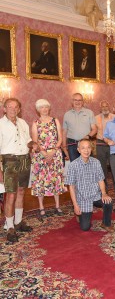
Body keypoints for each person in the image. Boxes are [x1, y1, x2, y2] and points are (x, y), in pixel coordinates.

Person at [0, 98, 38, 243]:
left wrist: (33, 144)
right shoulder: (1, 124)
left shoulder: (23, 123)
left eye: (16, 107)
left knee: (21, 191)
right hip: (9, 161)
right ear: (4, 109)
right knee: (11, 194)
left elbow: (27, 140)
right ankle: (10, 228)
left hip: (24, 159)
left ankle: (18, 222)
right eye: (9, 107)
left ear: (19, 109)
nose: (13, 109)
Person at [65, 139, 113, 232]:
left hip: (96, 195)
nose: (86, 150)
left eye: (88, 148)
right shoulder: (73, 165)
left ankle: (105, 223)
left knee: (108, 202)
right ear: (78, 150)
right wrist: (75, 205)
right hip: (83, 198)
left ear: (91, 149)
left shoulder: (96, 162)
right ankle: (79, 214)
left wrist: (103, 193)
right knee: (85, 227)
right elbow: (71, 187)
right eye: (83, 148)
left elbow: (100, 180)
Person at [30, 99, 65, 219]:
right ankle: (41, 207)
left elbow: (60, 138)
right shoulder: (35, 122)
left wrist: (54, 151)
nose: (44, 109)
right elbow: (35, 141)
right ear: (37, 110)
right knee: (41, 181)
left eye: (46, 107)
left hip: (55, 154)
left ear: (49, 108)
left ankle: (57, 206)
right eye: (41, 107)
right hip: (41, 156)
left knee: (55, 179)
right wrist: (45, 153)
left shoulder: (55, 121)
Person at [62, 93, 97, 161]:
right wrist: (64, 147)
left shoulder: (89, 113)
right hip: (72, 145)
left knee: (88, 166)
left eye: (80, 100)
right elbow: (64, 132)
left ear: (83, 102)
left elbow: (94, 129)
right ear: (72, 101)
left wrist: (88, 136)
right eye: (75, 100)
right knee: (74, 166)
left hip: (86, 144)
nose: (78, 102)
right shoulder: (67, 114)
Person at [95, 100, 114, 190]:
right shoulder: (96, 118)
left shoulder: (114, 117)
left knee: (113, 163)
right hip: (100, 143)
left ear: (109, 107)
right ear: (100, 108)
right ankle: (104, 183)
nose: (105, 108)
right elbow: (93, 130)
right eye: (103, 106)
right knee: (102, 165)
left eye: (106, 106)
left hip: (112, 143)